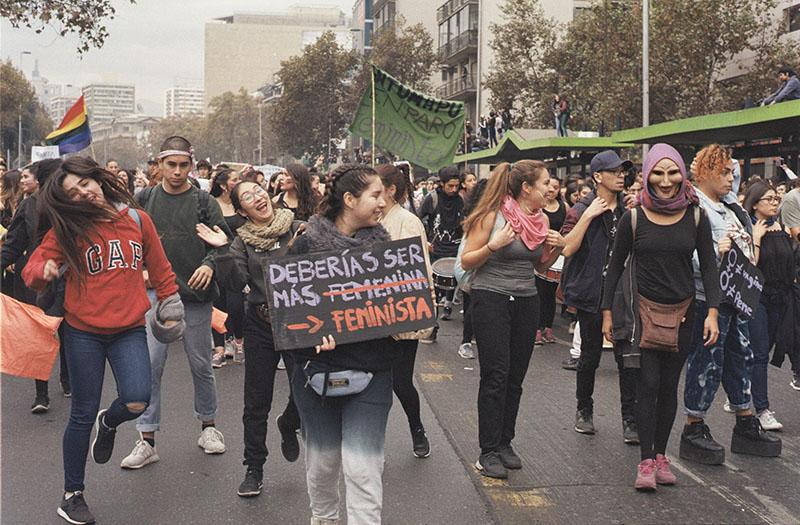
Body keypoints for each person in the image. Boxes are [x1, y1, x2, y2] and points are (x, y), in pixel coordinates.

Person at [22, 156, 183, 525]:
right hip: (83, 332)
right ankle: (72, 494)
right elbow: (36, 265)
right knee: (80, 414)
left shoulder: (138, 220)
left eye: (85, 184)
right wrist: (42, 272)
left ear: (98, 179)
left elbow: (161, 270)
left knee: (137, 399)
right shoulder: (67, 230)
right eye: (72, 193)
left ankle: (108, 424)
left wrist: (171, 306)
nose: (83, 193)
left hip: (128, 329)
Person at [600, 144, 720, 491]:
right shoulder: (632, 218)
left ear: (682, 174)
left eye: (672, 172)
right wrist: (607, 313)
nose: (666, 181)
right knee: (648, 385)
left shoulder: (696, 216)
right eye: (658, 172)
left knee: (669, 388)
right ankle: (646, 461)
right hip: (642, 314)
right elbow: (613, 268)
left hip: (684, 314)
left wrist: (712, 311)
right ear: (647, 175)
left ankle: (662, 456)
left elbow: (710, 268)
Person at [287, 164, 395, 524]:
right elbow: (284, 316)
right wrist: (311, 338)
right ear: (350, 199)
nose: (384, 201)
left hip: (372, 369)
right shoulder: (304, 244)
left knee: (364, 469)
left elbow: (398, 307)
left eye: (385, 194)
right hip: (314, 374)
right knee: (323, 462)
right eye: (375, 194)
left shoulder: (387, 249)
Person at [121, 136, 231, 469]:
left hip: (195, 298)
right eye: (172, 165)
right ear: (159, 164)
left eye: (184, 165)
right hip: (156, 296)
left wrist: (209, 263)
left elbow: (224, 243)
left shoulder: (203, 201)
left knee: (201, 364)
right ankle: (146, 438)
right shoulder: (144, 199)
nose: (178, 172)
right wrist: (137, 270)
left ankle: (209, 427)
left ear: (192, 165)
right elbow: (126, 242)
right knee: (151, 367)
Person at [196, 180, 303, 498]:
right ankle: (254, 469)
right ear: (242, 210)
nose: (257, 197)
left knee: (305, 388)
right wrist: (221, 251)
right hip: (260, 325)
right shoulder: (240, 242)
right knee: (257, 402)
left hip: (299, 323)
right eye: (247, 197)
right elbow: (235, 281)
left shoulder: (298, 228)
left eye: (259, 191)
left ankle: (289, 422)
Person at [461, 160, 566, 479]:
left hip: (526, 299)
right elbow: (467, 259)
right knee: (496, 374)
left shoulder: (541, 219)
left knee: (515, 377)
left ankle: (505, 443)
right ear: (526, 188)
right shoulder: (492, 215)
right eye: (546, 182)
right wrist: (493, 245)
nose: (551, 187)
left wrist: (557, 249)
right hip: (491, 297)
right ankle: (487, 451)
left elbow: (539, 266)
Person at [680, 144, 781, 465]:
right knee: (706, 361)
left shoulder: (732, 208)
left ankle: (745, 421)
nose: (730, 178)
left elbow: (748, 246)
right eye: (724, 172)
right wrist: (715, 253)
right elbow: (685, 253)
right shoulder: (693, 207)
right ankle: (693, 427)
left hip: (736, 297)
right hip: (706, 299)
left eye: (731, 172)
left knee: (741, 358)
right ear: (706, 171)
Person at [560, 150, 639, 442]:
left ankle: (630, 419)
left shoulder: (627, 211)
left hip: (621, 295)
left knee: (626, 358)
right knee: (590, 354)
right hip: (591, 293)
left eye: (623, 171)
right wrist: (589, 215)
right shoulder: (581, 209)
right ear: (598, 176)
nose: (621, 176)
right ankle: (584, 410)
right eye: (615, 171)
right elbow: (567, 248)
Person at [1, 160, 72, 408]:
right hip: (35, 282)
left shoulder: (74, 206)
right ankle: (41, 393)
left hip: (71, 282)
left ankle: (68, 379)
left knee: (68, 333)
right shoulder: (28, 207)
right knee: (39, 335)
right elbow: (13, 245)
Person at [377, 164, 434, 459]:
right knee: (373, 383)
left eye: (377, 189)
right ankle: (373, 441)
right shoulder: (369, 220)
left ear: (391, 190)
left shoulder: (408, 222)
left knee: (401, 380)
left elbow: (419, 269)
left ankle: (417, 429)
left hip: (401, 315)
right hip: (370, 317)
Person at [743, 181, 797, 426]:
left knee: (773, 346)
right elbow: (748, 267)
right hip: (758, 299)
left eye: (776, 199)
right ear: (755, 204)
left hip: (782, 298)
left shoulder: (783, 228)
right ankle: (763, 409)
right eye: (769, 199)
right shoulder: (749, 228)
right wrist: (755, 239)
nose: (775, 203)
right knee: (761, 352)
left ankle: (742, 386)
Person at [417, 166, 465, 329]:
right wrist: (425, 241)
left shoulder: (460, 200)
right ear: (442, 184)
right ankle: (432, 320)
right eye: (450, 186)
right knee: (434, 285)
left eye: (456, 186)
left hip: (454, 247)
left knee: (452, 279)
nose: (453, 189)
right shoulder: (432, 199)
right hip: (435, 248)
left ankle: (448, 306)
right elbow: (418, 220)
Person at [209, 169, 246, 366]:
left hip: (237, 262)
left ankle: (238, 341)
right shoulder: (211, 205)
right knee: (217, 305)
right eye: (235, 179)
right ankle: (220, 348)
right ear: (223, 185)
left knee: (236, 305)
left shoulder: (241, 205)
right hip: (216, 260)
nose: (238, 182)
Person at [458, 179, 489, 360]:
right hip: (473, 263)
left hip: (487, 265)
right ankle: (465, 340)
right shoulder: (476, 213)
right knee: (471, 301)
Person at [535, 176, 567, 345]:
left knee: (550, 295)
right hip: (541, 253)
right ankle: (537, 328)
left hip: (557, 255)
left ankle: (548, 327)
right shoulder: (538, 207)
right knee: (539, 293)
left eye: (556, 187)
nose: (552, 189)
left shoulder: (564, 207)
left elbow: (569, 227)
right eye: (549, 185)